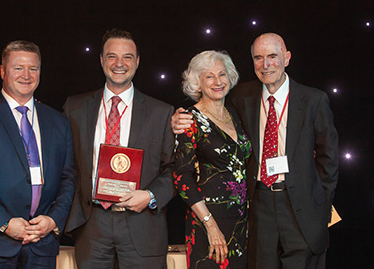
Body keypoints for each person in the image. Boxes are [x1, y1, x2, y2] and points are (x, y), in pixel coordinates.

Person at [172, 33, 339, 269]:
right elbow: (203, 122)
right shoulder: (243, 97)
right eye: (258, 58)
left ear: (287, 58)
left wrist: (319, 206)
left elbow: (329, 161)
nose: (266, 64)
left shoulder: (314, 100)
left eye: (272, 56)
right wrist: (178, 120)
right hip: (258, 208)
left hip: (301, 209)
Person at [0, 41, 76, 268]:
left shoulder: (58, 121)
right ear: (3, 71)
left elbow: (69, 177)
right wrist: (4, 223)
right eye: (18, 68)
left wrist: (53, 220)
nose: (27, 75)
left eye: (33, 68)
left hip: (41, 244)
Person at [63, 29, 175, 269]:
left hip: (142, 224)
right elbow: (65, 165)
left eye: (127, 57)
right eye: (112, 56)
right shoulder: (74, 107)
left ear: (137, 61)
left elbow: (172, 168)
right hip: (92, 224)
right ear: (102, 61)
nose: (119, 64)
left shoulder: (161, 112)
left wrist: (150, 196)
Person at [173, 51, 250, 269]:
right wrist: (210, 225)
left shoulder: (235, 113)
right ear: (197, 83)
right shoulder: (188, 120)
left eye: (222, 74)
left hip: (241, 224)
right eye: (209, 76)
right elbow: (181, 176)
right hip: (208, 222)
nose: (218, 82)